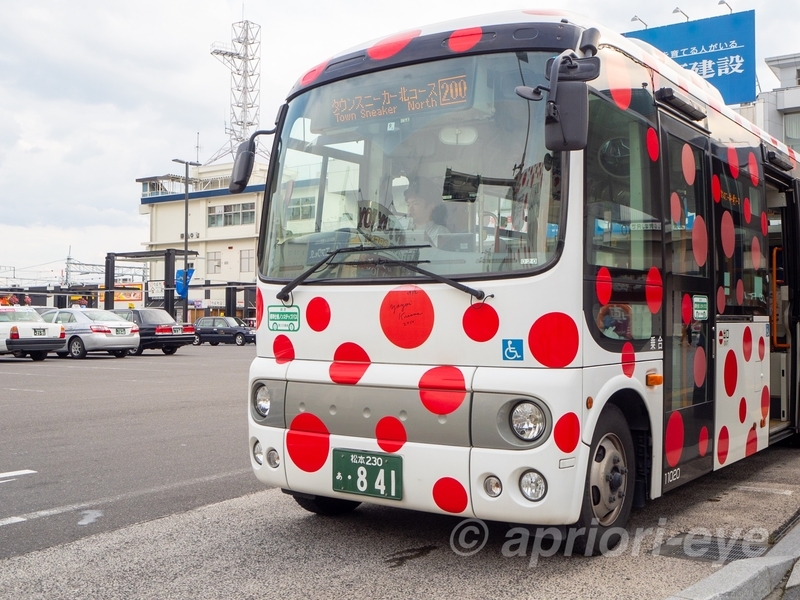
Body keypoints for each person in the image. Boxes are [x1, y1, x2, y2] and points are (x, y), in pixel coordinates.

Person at [404, 178, 450, 246]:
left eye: (415, 204)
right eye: (408, 204)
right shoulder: (404, 232)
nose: (410, 209)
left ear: (430, 206)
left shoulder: (441, 233)